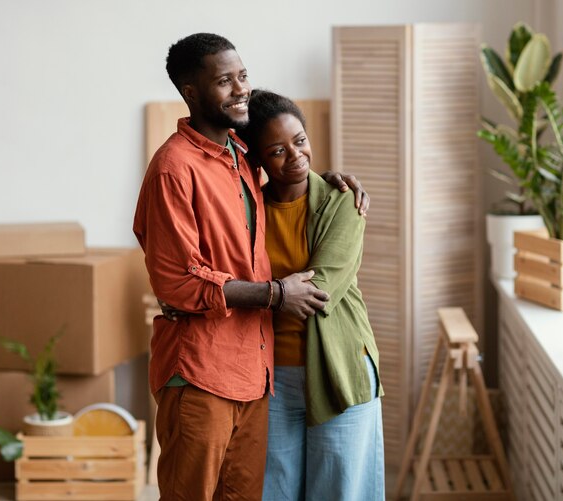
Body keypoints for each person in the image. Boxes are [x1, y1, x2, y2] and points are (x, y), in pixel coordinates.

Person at [133, 33, 368, 501]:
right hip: (199, 371)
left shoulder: (241, 158)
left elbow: (284, 154)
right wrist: (276, 294)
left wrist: (328, 181)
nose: (240, 88)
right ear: (191, 93)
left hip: (253, 375)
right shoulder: (173, 169)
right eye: (225, 81)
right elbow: (177, 281)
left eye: (243, 76)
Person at [235, 89, 385, 501]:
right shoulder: (249, 212)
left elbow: (320, 291)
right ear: (258, 159)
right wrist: (280, 293)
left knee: (341, 492)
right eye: (278, 151)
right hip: (270, 380)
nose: (296, 156)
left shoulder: (342, 201)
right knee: (272, 491)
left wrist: (263, 294)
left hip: (339, 369)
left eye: (300, 141)